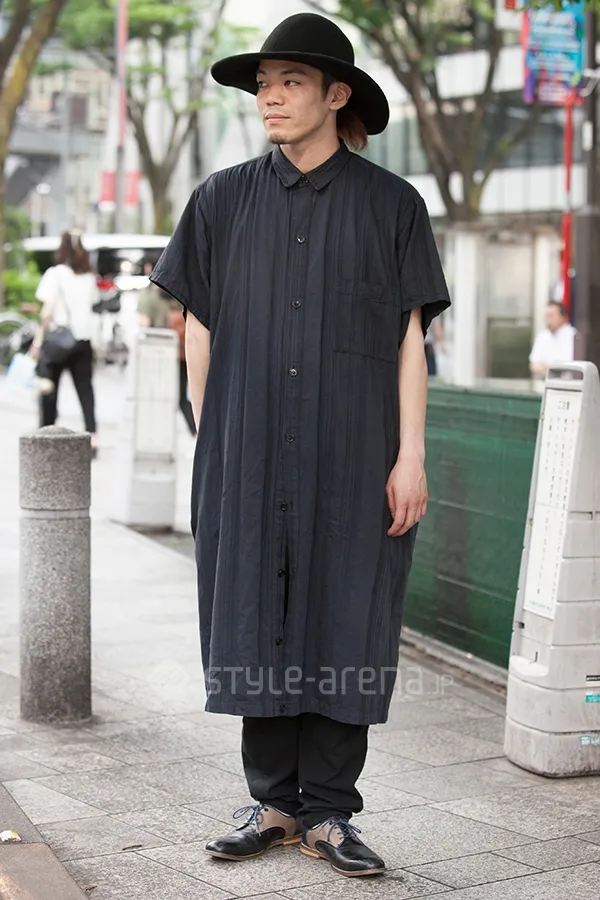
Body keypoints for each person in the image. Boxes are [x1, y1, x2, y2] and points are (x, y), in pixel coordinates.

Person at [151, 12, 450, 878]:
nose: (270, 97)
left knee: (348, 611)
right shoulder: (220, 199)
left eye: (290, 81)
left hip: (357, 450)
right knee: (255, 609)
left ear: (336, 94)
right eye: (263, 84)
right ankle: (275, 803)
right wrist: (213, 437)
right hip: (244, 447)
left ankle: (330, 812)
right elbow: (197, 326)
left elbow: (408, 339)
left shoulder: (393, 205)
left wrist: (411, 454)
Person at [32, 230, 99, 455]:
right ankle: (93, 436)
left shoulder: (55, 274)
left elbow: (47, 311)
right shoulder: (89, 277)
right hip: (83, 341)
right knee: (85, 390)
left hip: (59, 341)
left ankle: (46, 436)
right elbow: (93, 307)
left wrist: (38, 341)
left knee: (49, 388)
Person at [166, 300, 197, 437]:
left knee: (182, 398)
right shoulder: (186, 315)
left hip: (179, 359)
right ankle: (196, 430)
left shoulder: (173, 316)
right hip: (187, 357)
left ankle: (196, 430)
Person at [529, 301, 576, 377]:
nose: (548, 320)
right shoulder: (542, 336)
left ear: (562, 317)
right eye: (546, 316)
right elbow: (533, 365)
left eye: (551, 316)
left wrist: (546, 367)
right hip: (545, 381)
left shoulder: (574, 336)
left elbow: (570, 366)